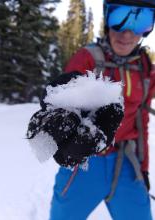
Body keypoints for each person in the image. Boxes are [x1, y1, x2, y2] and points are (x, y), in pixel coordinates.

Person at [27, 0, 155, 219]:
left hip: (126, 162)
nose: (127, 32)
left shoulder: (144, 67)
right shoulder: (88, 58)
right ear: (107, 18)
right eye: (120, 17)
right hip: (85, 162)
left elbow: (141, 121)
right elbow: (67, 96)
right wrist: (60, 110)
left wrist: (142, 167)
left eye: (140, 20)